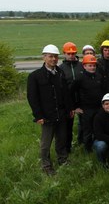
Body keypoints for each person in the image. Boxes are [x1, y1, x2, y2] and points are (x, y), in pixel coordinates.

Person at [27, 44, 71, 175]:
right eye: (51, 56)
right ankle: (46, 166)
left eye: (56, 57)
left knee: (61, 139)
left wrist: (69, 109)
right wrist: (38, 115)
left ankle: (62, 159)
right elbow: (32, 97)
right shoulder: (35, 76)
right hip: (46, 116)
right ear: (44, 57)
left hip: (61, 114)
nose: (53, 59)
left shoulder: (60, 73)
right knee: (46, 144)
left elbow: (66, 93)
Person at [71, 54, 105, 152]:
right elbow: (71, 93)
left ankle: (98, 147)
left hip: (99, 108)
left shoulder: (99, 77)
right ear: (84, 66)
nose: (92, 67)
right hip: (86, 109)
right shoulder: (79, 78)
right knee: (88, 131)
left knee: (98, 128)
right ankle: (88, 151)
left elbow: (103, 91)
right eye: (90, 65)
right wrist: (75, 107)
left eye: (94, 65)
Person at [59, 42, 83, 153]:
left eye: (73, 53)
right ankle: (67, 148)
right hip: (69, 102)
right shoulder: (61, 68)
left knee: (86, 125)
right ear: (64, 53)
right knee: (68, 127)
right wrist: (71, 106)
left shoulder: (81, 65)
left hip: (83, 100)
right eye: (68, 53)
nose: (71, 55)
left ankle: (85, 145)